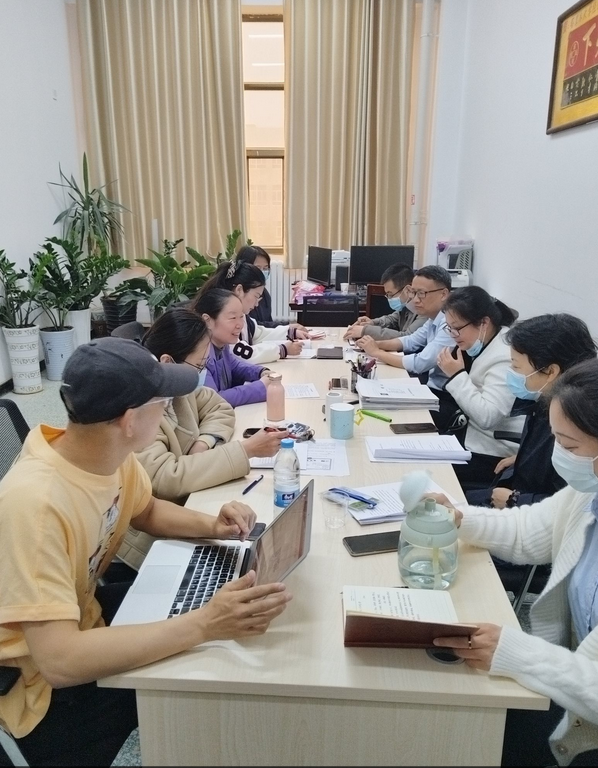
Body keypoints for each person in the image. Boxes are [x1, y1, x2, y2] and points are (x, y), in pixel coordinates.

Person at [0, 337, 291, 767]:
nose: (170, 410)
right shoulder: (36, 506)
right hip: (38, 688)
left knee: (223, 636)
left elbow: (147, 510)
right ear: (131, 420)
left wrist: (213, 525)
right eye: (163, 403)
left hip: (84, 615)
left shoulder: (106, 453)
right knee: (205, 683)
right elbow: (60, 662)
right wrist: (204, 624)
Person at [431, 358, 598, 767]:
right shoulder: (587, 494)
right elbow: (526, 532)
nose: (559, 456)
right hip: (573, 690)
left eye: (570, 446)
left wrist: (516, 652)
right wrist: (459, 517)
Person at [137, 307, 287, 505]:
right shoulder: (141, 409)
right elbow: (165, 478)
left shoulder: (178, 387)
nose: (202, 372)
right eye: (199, 365)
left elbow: (219, 406)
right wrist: (246, 450)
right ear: (167, 362)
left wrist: (204, 442)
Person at [466, 313, 597, 508]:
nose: (511, 372)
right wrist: (524, 459)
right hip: (520, 488)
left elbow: (572, 504)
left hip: (528, 505)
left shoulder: (576, 420)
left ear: (551, 371)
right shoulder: (541, 400)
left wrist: (514, 500)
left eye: (516, 366)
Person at [433, 286, 523, 492]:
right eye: (449, 328)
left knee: (428, 470)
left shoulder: (504, 356)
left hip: (493, 450)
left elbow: (487, 416)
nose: (453, 335)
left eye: (457, 328)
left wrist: (456, 375)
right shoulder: (484, 343)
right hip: (471, 433)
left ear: (484, 322)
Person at [354, 265, 453, 390]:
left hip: (443, 393)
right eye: (414, 293)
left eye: (421, 293)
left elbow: (419, 363)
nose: (415, 300)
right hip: (430, 385)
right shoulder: (433, 318)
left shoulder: (450, 324)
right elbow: (410, 341)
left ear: (443, 294)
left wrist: (376, 352)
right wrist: (374, 344)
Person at [194, 260, 308, 363]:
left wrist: (289, 332)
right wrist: (282, 350)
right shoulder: (221, 317)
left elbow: (257, 333)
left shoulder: (239, 315)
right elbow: (243, 354)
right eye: (256, 296)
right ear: (239, 290)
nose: (257, 304)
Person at [191, 288, 273, 407]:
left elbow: (235, 366)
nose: (240, 325)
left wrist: (261, 372)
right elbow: (214, 399)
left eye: (241, 317)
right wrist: (261, 387)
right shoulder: (197, 354)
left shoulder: (221, 345)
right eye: (233, 318)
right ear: (207, 320)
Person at [235, 244, 307, 333]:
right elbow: (253, 327)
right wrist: (287, 328)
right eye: (258, 268)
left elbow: (267, 323)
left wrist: (287, 327)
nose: (262, 272)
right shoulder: (238, 296)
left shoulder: (264, 293)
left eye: (265, 268)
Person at [343, 263, 425, 341]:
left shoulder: (425, 311)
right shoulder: (406, 306)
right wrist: (372, 322)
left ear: (408, 290)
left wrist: (365, 331)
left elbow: (406, 338)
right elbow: (392, 320)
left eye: (391, 294)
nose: (388, 298)